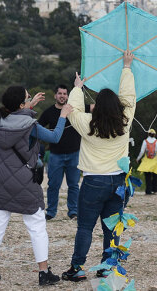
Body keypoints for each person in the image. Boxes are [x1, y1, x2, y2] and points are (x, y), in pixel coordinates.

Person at [61, 50, 136, 283]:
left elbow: (72, 109)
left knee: (85, 227)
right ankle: (107, 267)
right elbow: (129, 95)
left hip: (93, 181)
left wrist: (77, 86)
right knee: (112, 227)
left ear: (97, 107)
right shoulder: (126, 121)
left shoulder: (86, 123)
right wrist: (126, 67)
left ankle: (77, 268)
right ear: (117, 107)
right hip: (118, 182)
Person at [0, 87, 66, 286]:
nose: (30, 99)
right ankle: (43, 272)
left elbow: (15, 117)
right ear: (21, 105)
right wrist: (63, 115)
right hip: (25, 184)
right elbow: (55, 137)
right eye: (27, 97)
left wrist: (28, 106)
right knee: (37, 227)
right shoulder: (31, 126)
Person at [39, 84, 81, 220]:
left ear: (68, 96)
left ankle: (73, 211)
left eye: (65, 94)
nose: (62, 96)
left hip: (74, 153)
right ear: (55, 96)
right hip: (55, 154)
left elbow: (93, 108)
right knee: (53, 185)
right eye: (60, 93)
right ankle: (51, 212)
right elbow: (38, 127)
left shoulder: (74, 109)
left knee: (74, 185)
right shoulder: (49, 112)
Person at [136, 128, 157, 194]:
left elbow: (142, 151)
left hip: (147, 161)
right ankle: (155, 190)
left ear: (148, 134)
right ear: (154, 135)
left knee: (147, 177)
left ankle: (148, 191)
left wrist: (138, 158)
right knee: (155, 176)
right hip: (155, 161)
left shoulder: (145, 141)